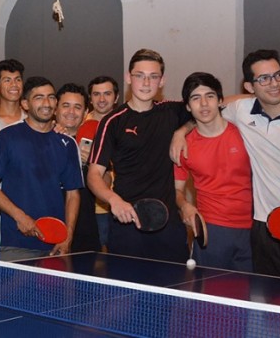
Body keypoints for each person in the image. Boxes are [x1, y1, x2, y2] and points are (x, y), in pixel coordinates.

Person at [175, 50, 280, 282]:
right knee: (274, 307)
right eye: (263, 78)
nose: (273, 84)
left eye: (278, 75)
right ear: (249, 87)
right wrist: (181, 131)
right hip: (267, 232)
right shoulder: (242, 112)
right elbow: (208, 108)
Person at [86, 49, 190, 263]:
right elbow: (94, 174)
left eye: (153, 77)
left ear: (162, 81)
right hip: (127, 226)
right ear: (128, 78)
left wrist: (183, 129)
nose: (146, 83)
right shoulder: (112, 121)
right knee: (125, 295)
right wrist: (114, 200)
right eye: (139, 75)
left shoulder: (172, 112)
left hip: (168, 226)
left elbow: (212, 105)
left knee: (175, 293)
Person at [0, 76, 84, 261]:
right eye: (39, 97)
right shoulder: (7, 136)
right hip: (16, 243)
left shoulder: (68, 143)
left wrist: (67, 237)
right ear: (25, 104)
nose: (47, 103)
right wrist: (20, 217)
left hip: (56, 245)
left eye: (51, 97)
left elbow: (73, 194)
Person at [173, 72, 252, 271]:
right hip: (212, 229)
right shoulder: (183, 147)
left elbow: (259, 99)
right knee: (212, 298)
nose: (204, 104)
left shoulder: (244, 132)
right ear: (188, 107)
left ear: (220, 101)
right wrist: (185, 206)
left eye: (209, 96)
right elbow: (177, 190)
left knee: (250, 297)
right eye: (196, 98)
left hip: (253, 227)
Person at [54, 83, 100, 253]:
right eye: (66, 105)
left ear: (85, 113)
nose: (71, 112)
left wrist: (92, 164)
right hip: (47, 226)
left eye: (77, 107)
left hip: (85, 228)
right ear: (55, 109)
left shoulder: (95, 143)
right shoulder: (41, 139)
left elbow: (107, 180)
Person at [85, 76, 120, 250]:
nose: (102, 99)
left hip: (121, 204)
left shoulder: (125, 123)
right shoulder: (80, 124)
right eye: (96, 94)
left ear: (116, 97)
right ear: (90, 99)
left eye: (107, 93)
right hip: (92, 209)